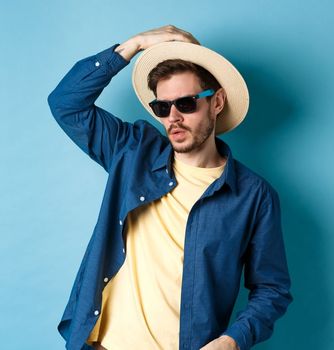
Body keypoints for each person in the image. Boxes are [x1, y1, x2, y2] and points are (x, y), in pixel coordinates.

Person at [47, 25, 293, 350]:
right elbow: (66, 103)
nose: (173, 118)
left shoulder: (254, 196)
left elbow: (272, 289)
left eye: (186, 104)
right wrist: (134, 45)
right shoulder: (132, 151)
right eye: (162, 108)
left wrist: (233, 340)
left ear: (217, 102)